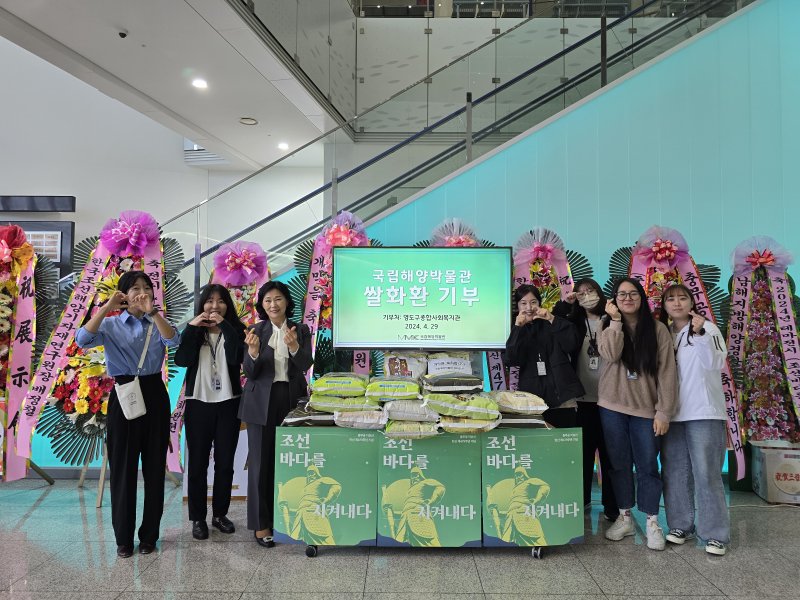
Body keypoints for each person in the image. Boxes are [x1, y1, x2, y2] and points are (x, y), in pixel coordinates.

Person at [75, 270, 180, 558]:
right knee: (122, 468)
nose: (142, 292)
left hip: (154, 394)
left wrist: (154, 313)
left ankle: (149, 536)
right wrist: (107, 307)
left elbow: (174, 342)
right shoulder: (110, 325)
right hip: (123, 396)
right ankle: (123, 538)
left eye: (147, 288)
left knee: (155, 467)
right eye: (135, 288)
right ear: (124, 294)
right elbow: (82, 339)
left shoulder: (156, 322)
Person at [598, 277, 677, 551]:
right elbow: (610, 353)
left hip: (646, 410)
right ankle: (625, 517)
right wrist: (615, 321)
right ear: (614, 300)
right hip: (611, 406)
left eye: (633, 294)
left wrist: (664, 411)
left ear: (642, 298)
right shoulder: (606, 325)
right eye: (621, 294)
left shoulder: (657, 330)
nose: (627, 298)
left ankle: (653, 521)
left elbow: (667, 372)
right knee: (619, 465)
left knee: (647, 467)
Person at [659, 284, 730, 556]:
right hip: (673, 414)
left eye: (682, 298)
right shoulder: (664, 333)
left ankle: (715, 534)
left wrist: (699, 333)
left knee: (707, 474)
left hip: (704, 412)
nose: (677, 304)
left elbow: (715, 364)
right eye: (671, 299)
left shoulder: (708, 328)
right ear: (664, 305)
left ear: (692, 301)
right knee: (675, 472)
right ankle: (680, 525)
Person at [241, 280, 313, 548]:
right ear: (262, 304)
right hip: (261, 402)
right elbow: (250, 373)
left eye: (278, 299)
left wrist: (294, 347)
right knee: (260, 463)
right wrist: (253, 352)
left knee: (291, 461)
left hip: (291, 398)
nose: (273, 304)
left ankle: (290, 518)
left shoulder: (300, 329)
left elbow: (305, 364)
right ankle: (261, 525)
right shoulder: (254, 331)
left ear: (287, 302)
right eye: (268, 300)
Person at [174, 284, 245, 541]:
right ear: (202, 304)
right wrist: (193, 327)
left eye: (221, 301)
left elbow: (239, 357)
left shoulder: (236, 330)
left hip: (229, 403)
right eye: (209, 301)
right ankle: (197, 519)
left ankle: (219, 515)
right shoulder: (193, 331)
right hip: (198, 403)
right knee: (198, 465)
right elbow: (181, 360)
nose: (214, 306)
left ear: (228, 305)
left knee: (225, 464)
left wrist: (225, 325)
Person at [553, 278, 619, 521]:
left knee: (611, 456)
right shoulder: (573, 322)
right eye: (580, 293)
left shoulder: (613, 319)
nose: (586, 296)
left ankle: (613, 508)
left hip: (611, 399)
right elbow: (555, 327)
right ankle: (581, 502)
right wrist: (564, 304)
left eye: (590, 291)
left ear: (599, 292)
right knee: (582, 455)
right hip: (582, 399)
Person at [505, 284, 584, 428]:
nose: (529, 307)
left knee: (566, 441)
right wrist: (517, 328)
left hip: (562, 398)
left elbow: (572, 343)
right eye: (523, 303)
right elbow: (510, 359)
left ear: (540, 303)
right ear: (517, 306)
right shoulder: (514, 328)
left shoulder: (551, 322)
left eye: (533, 302)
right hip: (533, 400)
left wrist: (552, 318)